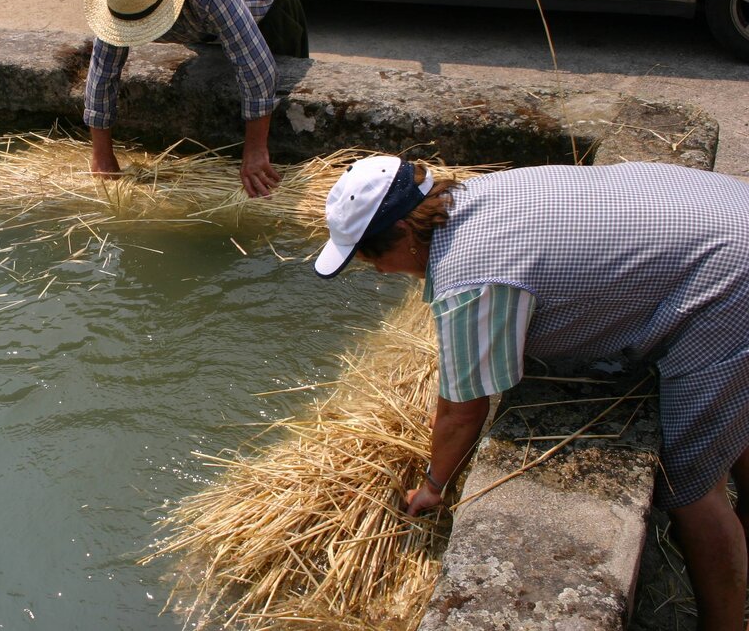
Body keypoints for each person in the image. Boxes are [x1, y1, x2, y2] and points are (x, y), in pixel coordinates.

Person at [314, 155, 749, 631]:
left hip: (729, 274)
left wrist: (434, 485)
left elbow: (463, 409)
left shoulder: (471, 275)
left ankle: (725, 623)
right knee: (734, 413)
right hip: (729, 208)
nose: (375, 270)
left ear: (404, 231)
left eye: (371, 254)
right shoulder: (481, 197)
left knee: (690, 486)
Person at [82, 0, 309, 198]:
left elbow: (258, 69)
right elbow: (103, 70)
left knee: (281, 104)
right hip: (206, 18)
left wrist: (255, 151)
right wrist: (101, 155)